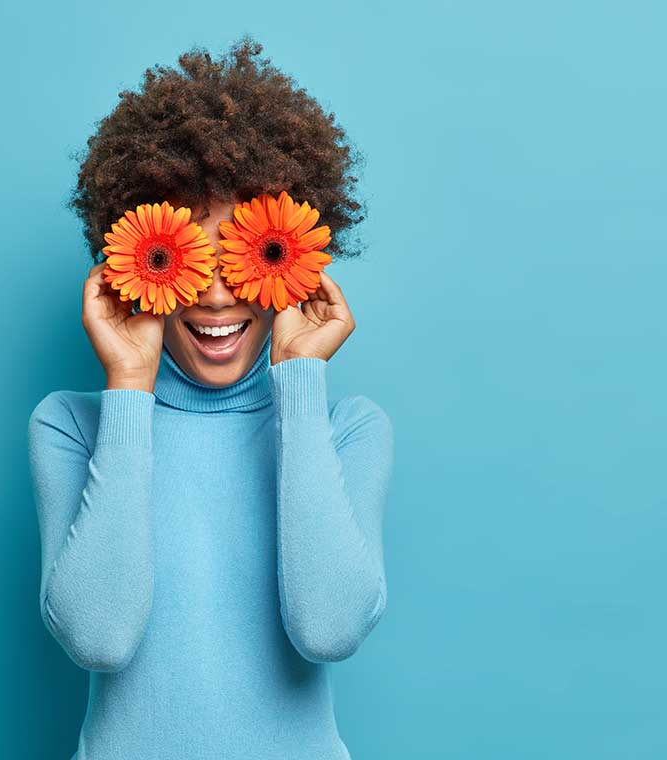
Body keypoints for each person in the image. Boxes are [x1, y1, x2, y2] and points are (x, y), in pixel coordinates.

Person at [28, 36, 394, 760]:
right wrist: (130, 386)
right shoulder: (71, 424)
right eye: (188, 257)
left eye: (241, 256)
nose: (218, 293)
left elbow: (329, 628)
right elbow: (100, 636)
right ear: (136, 262)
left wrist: (297, 379)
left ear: (289, 260)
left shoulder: (348, 428)